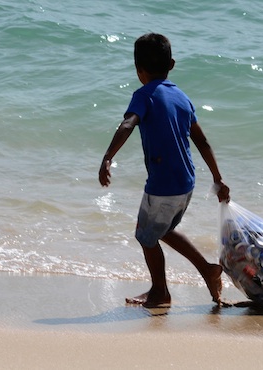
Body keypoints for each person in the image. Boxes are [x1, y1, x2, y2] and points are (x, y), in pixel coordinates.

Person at [98, 33, 230, 308]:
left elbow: (127, 124)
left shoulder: (143, 95)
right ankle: (207, 270)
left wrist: (108, 157)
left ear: (138, 71)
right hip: (186, 181)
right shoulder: (182, 98)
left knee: (145, 236)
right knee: (163, 229)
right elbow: (202, 141)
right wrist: (218, 179)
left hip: (164, 184)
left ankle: (160, 292)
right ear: (171, 64)